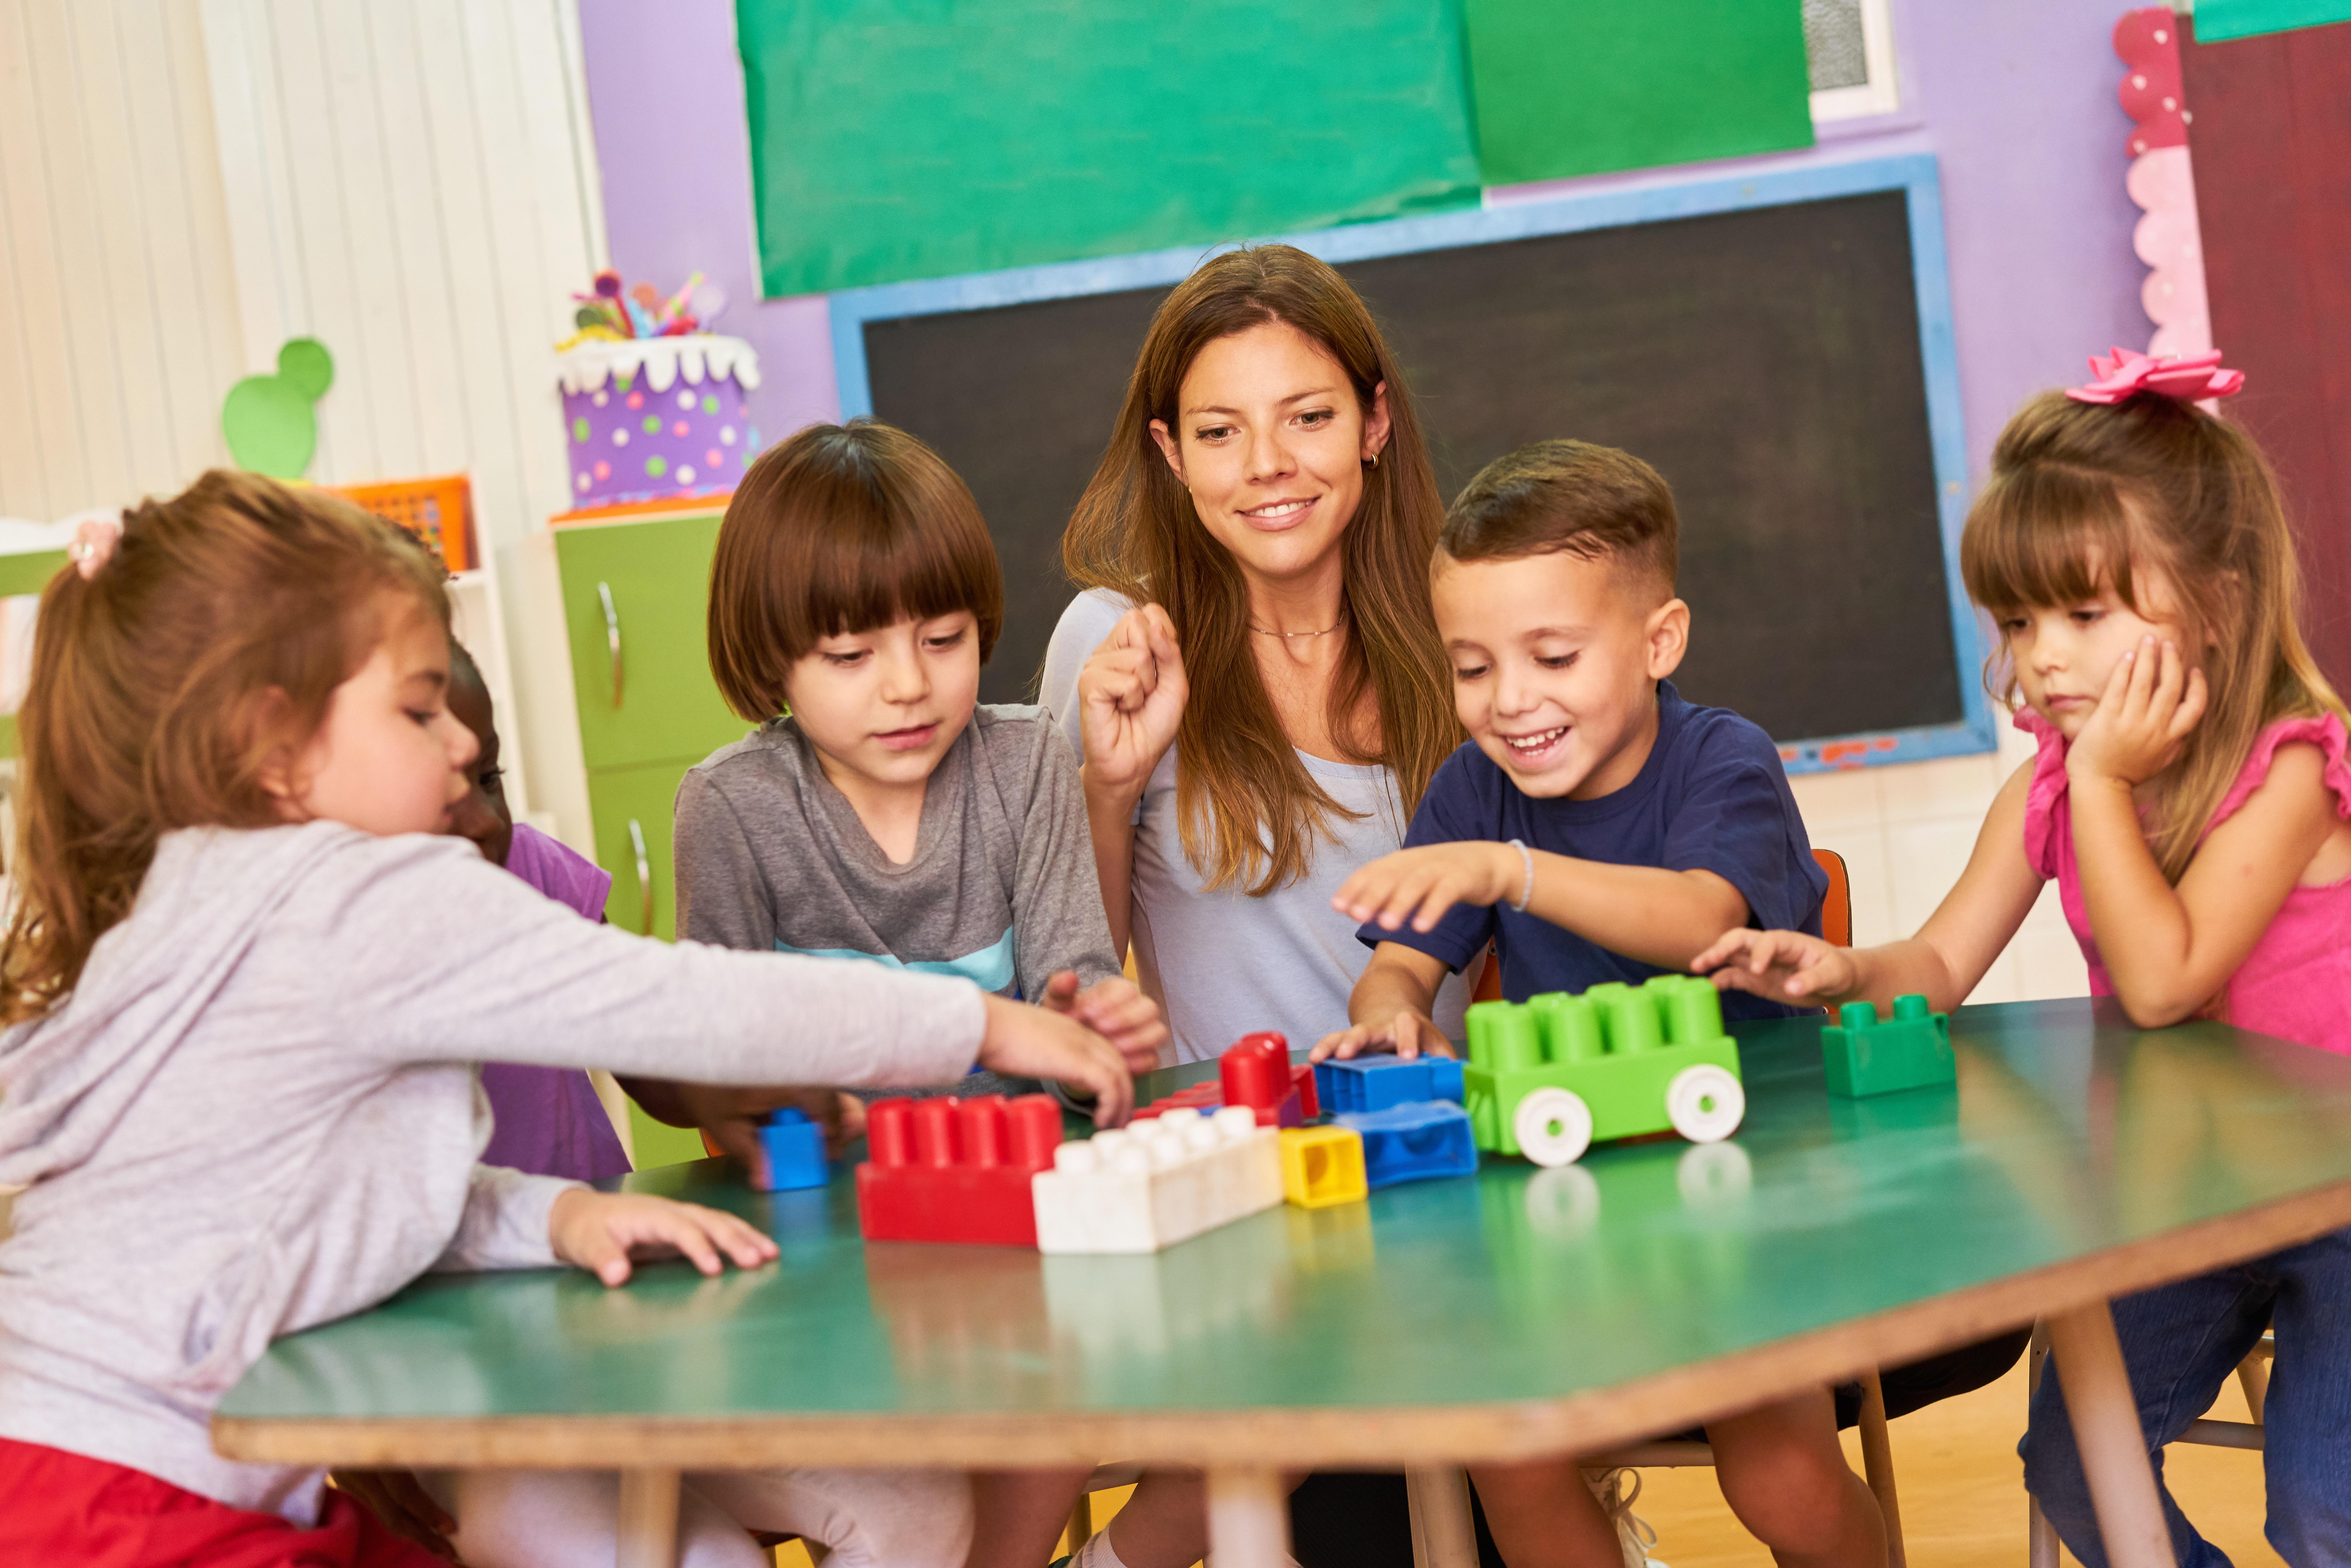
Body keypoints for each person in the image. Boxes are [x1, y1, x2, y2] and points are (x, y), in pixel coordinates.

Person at [0, 471, 1131, 1568]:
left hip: (73, 1468)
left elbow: (311, 1190)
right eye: (417, 709)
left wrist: (548, 1217)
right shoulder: (358, 897)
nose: (457, 747)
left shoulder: (193, 891)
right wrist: (981, 1025)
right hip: (135, 1500)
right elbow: (682, 1005)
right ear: (276, 746)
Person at [1697, 353, 2351, 1568]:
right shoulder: (2052, 789)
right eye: (2019, 621)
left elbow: (2166, 983)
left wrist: (2100, 777)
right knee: (2073, 1469)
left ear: (2216, 601)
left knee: (2322, 1507)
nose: (2044, 658)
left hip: (2341, 1193)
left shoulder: (2294, 771)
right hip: (2196, 1197)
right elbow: (1937, 962)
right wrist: (1836, 971)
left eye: (2085, 615)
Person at [1313, 439, 1896, 1568]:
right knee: (1511, 1454)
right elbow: (1399, 962)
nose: (1510, 700)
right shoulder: (1474, 788)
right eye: (1473, 666)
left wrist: (1513, 872)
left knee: (1777, 1475)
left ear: (1658, 640)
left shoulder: (1722, 760)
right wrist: (1393, 1005)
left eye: (1554, 656)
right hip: (1567, 1207)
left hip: (1751, 1196)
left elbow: (1701, 922)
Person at [1036, 243, 1473, 1568]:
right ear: (1172, 455)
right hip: (1236, 1205)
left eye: (1310, 418)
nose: (1268, 465)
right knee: (1322, 1479)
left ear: (1377, 422)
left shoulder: (1466, 630)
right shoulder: (1118, 644)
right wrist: (1108, 787)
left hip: (1435, 1184)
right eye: (1222, 432)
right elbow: (1074, 968)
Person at [665, 419, 1167, 1566]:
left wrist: (1099, 1017)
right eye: (850, 658)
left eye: (942, 639)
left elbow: (1073, 976)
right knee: (914, 1488)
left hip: (1010, 1239)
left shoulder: (1030, 759)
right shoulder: (734, 809)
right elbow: (713, 1072)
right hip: (831, 1264)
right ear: (773, 662)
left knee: (1077, 1384)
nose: (907, 686)